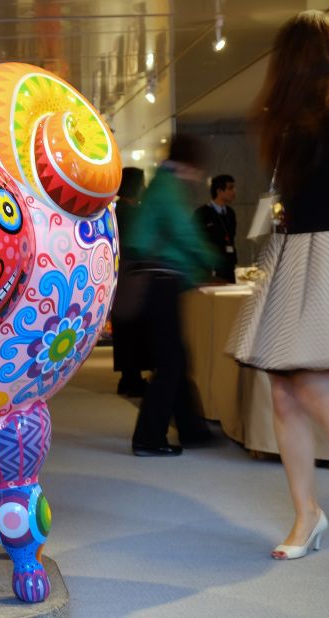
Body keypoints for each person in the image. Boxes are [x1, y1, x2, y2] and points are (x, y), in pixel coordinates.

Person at [228, 10, 329, 580]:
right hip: (292, 256)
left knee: (319, 393)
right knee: (285, 397)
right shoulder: (289, 123)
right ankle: (307, 517)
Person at [122, 135, 217, 457]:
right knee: (172, 361)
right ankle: (148, 438)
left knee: (176, 357)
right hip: (159, 282)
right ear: (189, 163)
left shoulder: (162, 185)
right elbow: (184, 234)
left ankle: (192, 429)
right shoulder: (168, 188)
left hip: (156, 281)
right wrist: (212, 261)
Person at [111, 167, 151, 397]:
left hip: (121, 278)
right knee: (132, 331)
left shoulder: (118, 210)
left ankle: (129, 377)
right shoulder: (132, 212)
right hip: (132, 278)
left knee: (126, 332)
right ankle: (131, 379)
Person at [193, 174, 238, 282]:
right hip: (210, 270)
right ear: (219, 191)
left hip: (228, 267)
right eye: (230, 188)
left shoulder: (230, 213)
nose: (234, 192)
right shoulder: (202, 213)